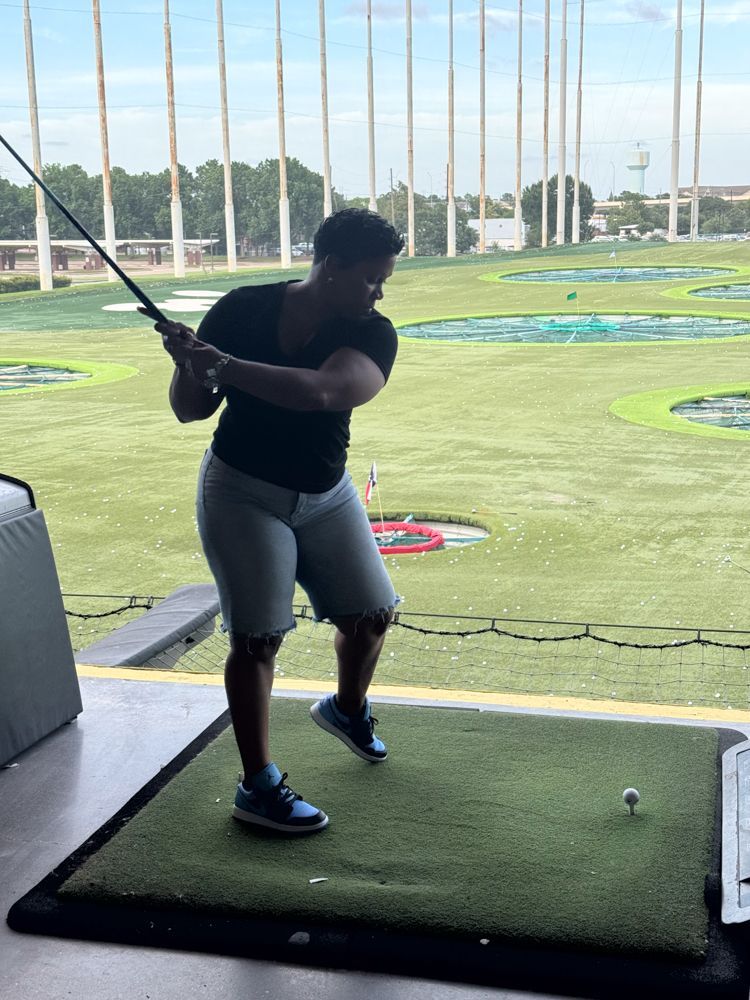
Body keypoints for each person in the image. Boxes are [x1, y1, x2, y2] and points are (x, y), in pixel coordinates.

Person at [147, 208, 404, 835]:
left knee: (372, 618)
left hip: (326, 491)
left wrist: (223, 365)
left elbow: (322, 390)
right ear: (331, 266)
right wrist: (189, 363)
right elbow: (190, 411)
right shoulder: (241, 309)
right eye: (371, 278)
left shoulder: (374, 333)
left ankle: (347, 709)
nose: (379, 293)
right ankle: (258, 785)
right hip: (242, 491)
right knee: (257, 637)